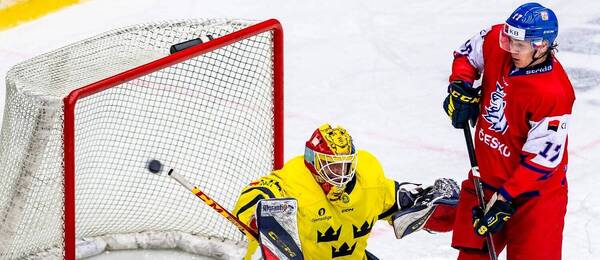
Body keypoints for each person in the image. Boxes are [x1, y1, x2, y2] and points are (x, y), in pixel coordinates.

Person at [442, 2, 575, 259]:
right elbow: (467, 54)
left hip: (535, 199)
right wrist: (460, 86)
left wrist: (504, 199)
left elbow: (542, 161)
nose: (511, 48)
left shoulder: (554, 93)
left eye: (520, 45)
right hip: (487, 180)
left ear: (542, 45)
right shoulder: (497, 41)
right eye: (510, 39)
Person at [232, 124, 459, 259]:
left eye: (345, 164)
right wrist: (257, 214)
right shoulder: (293, 181)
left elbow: (401, 200)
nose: (341, 172)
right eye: (332, 165)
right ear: (313, 162)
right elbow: (254, 195)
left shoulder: (368, 180)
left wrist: (435, 206)